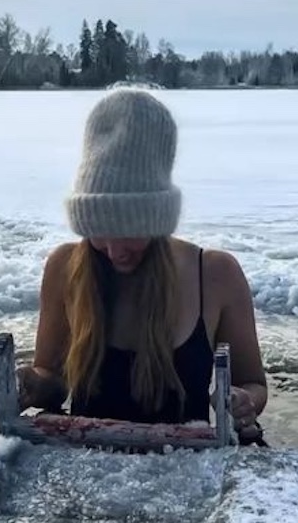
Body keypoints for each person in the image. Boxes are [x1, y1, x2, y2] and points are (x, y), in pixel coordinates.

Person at [15, 89, 268, 443]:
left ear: (157, 220)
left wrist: (243, 401)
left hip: (187, 471)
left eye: (131, 233)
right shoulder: (64, 267)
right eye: (100, 234)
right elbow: (54, 382)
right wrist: (32, 385)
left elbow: (253, 382)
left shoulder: (215, 275)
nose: (116, 251)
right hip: (84, 466)